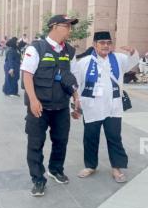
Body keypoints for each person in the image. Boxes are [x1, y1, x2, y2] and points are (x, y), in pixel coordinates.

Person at [21, 14, 80, 197]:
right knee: (35, 144)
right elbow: (27, 74)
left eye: (71, 26)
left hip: (61, 106)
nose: (70, 30)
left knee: (61, 140)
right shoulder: (36, 48)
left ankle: (55, 170)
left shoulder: (70, 51)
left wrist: (76, 99)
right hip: (40, 107)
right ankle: (38, 179)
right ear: (54, 26)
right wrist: (33, 100)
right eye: (67, 26)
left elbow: (72, 78)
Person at [72, 31, 139, 183]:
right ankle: (90, 165)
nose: (106, 46)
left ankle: (116, 167)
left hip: (113, 107)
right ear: (94, 45)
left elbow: (133, 61)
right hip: (91, 107)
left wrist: (133, 52)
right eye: (102, 43)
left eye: (108, 43)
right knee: (90, 138)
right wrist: (75, 104)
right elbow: (76, 83)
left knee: (114, 137)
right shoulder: (85, 62)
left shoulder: (119, 58)